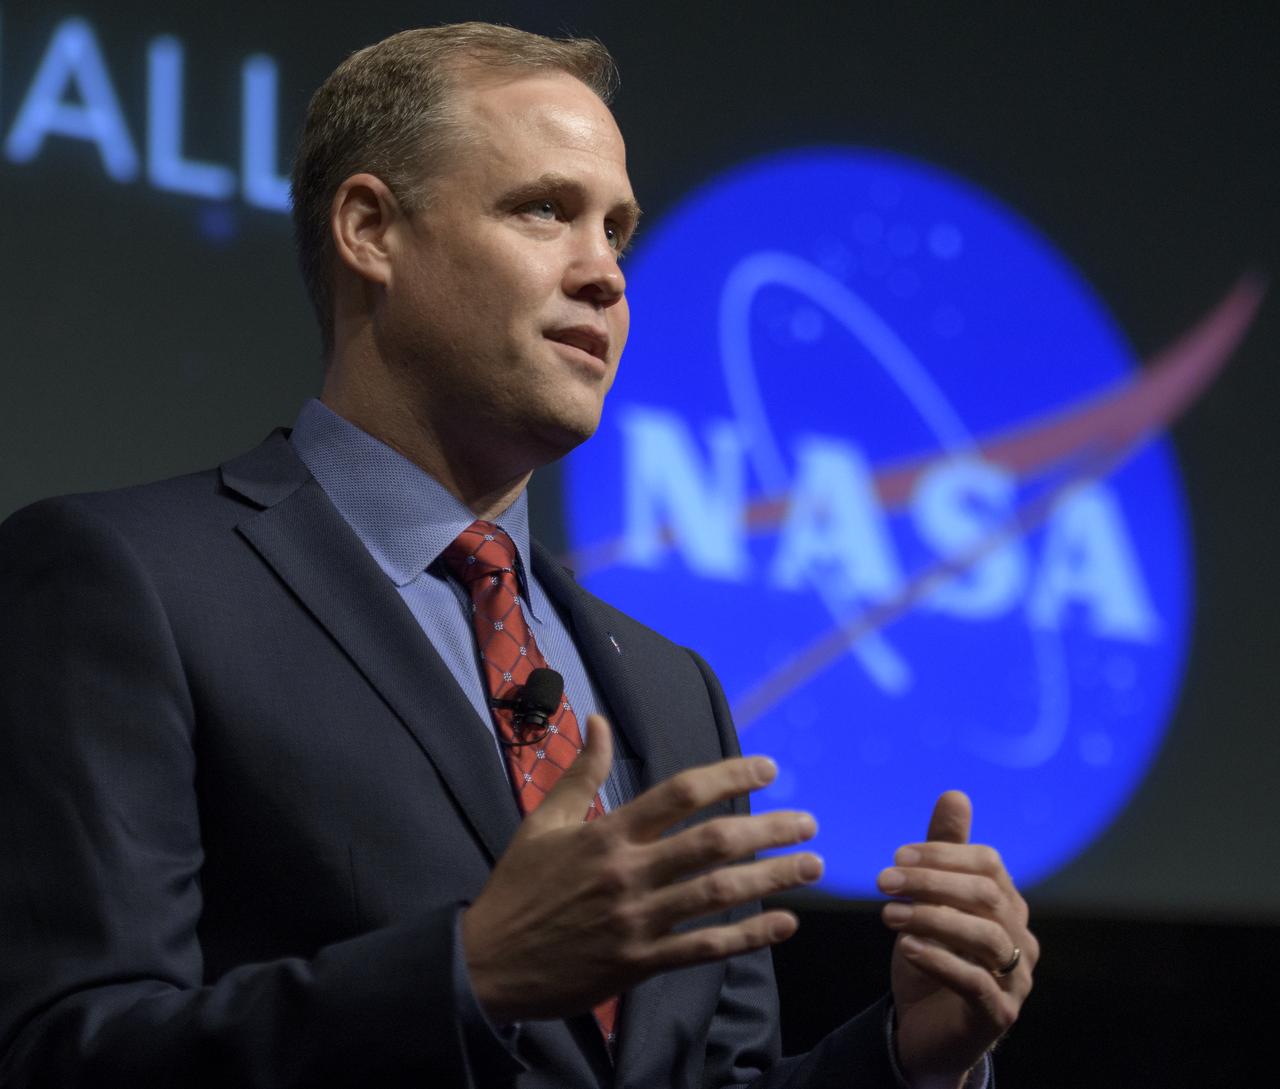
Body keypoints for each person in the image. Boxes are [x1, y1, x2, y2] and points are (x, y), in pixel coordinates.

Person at [0, 22, 1036, 1089]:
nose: (604, 276)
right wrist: (468, 972)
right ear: (370, 230)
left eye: (617, 232)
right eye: (544, 209)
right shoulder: (131, 584)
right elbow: (63, 1054)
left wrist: (912, 1058)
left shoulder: (674, 691)